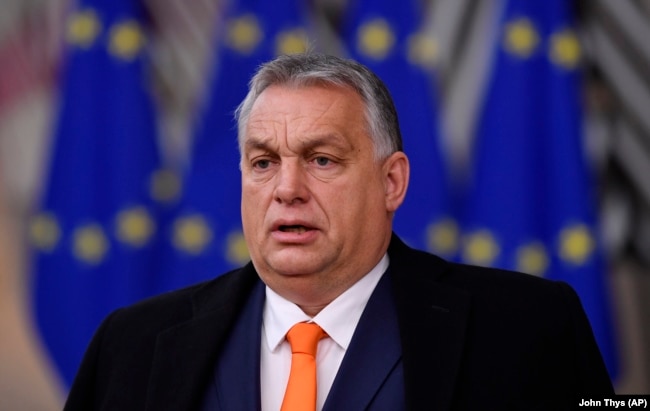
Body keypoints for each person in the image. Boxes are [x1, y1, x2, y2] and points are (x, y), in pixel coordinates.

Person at [64, 53, 614, 410]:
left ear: (392, 181)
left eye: (322, 159)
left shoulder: (530, 329)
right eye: (262, 163)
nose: (287, 189)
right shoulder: (131, 345)